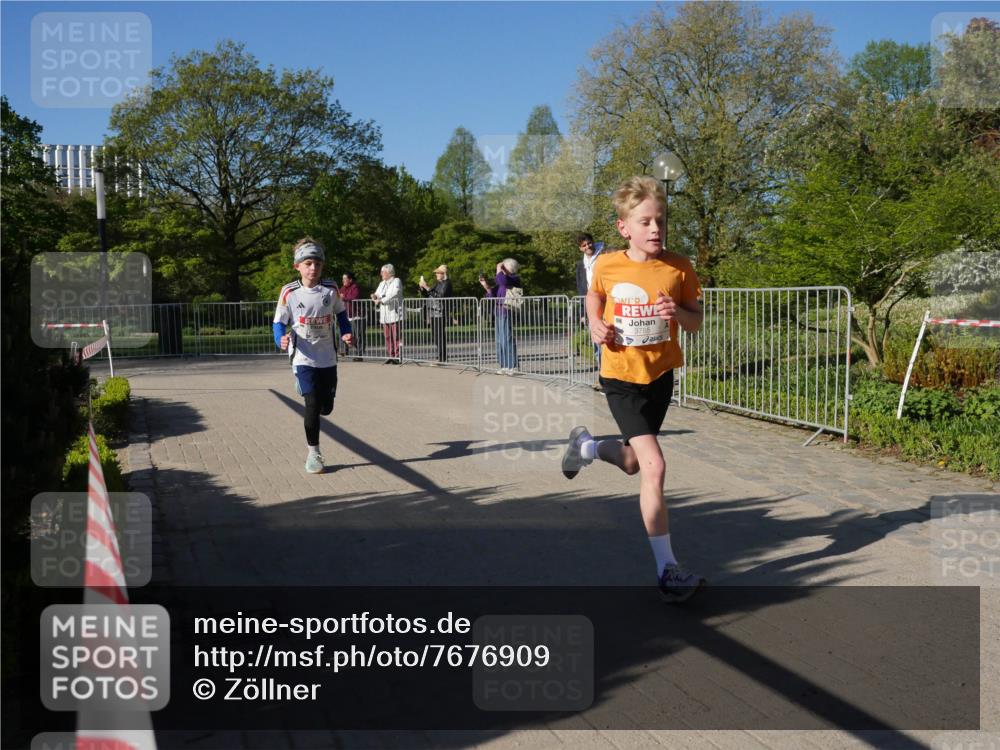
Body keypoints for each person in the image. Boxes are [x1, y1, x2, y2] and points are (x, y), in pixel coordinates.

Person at [561, 176, 705, 603]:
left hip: (659, 377)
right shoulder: (607, 265)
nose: (656, 228)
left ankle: (585, 447)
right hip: (620, 376)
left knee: (631, 463)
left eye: (660, 220)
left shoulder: (679, 266)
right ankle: (667, 570)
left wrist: (675, 311)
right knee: (655, 465)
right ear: (624, 227)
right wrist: (594, 322)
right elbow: (594, 296)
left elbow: (696, 320)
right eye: (646, 221)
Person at [273, 238, 353, 474]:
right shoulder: (289, 291)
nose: (313, 268)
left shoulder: (331, 288)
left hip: (327, 356)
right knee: (312, 404)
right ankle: (314, 453)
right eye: (308, 263)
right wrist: (281, 339)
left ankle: (318, 398)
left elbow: (341, 316)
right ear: (297, 266)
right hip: (303, 357)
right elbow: (279, 322)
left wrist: (347, 334)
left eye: (317, 263)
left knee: (326, 408)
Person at [479, 258, 522, 374]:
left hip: (507, 310)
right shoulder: (503, 280)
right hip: (498, 312)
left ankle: (513, 366)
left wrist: (499, 268)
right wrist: (486, 286)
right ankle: (504, 365)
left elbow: (502, 280)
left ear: (509, 268)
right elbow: (492, 295)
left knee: (507, 338)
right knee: (500, 340)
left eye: (504, 267)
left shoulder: (514, 278)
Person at [574, 232, 604, 375]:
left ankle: (610, 376)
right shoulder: (581, 265)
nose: (588, 247)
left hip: (606, 301)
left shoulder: (604, 255)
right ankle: (602, 375)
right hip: (591, 305)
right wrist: (582, 313)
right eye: (584, 245)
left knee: (608, 337)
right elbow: (581, 289)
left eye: (589, 243)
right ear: (580, 248)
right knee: (596, 339)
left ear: (593, 241)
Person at [418, 264, 453, 364]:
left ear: (444, 274)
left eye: (438, 273)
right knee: (435, 335)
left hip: (440, 312)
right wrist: (422, 288)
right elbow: (428, 294)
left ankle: (442, 358)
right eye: (437, 273)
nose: (436, 274)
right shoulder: (437, 283)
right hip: (433, 311)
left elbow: (440, 296)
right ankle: (440, 356)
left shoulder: (447, 283)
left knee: (439, 335)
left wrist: (427, 287)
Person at [371, 263, 403, 364]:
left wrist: (381, 300)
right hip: (384, 314)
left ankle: (397, 357)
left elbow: (394, 294)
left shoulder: (396, 280)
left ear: (389, 272)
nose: (381, 274)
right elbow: (377, 293)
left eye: (383, 272)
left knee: (396, 336)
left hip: (394, 312)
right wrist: (374, 296)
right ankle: (390, 355)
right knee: (387, 336)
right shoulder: (382, 283)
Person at [339, 272, 362, 359]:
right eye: (343, 279)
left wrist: (343, 297)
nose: (343, 280)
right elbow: (339, 297)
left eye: (345, 279)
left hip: (356, 315)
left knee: (357, 335)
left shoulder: (355, 287)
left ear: (350, 280)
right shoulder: (342, 288)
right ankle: (344, 351)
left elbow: (354, 297)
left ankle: (359, 354)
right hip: (346, 315)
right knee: (345, 333)